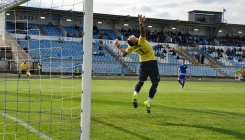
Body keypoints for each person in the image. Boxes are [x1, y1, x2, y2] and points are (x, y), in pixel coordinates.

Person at [114, 14, 160, 114]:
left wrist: (118, 46)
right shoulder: (141, 41)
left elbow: (125, 52)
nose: (131, 35)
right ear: (134, 41)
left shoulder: (132, 47)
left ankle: (135, 94)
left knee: (140, 82)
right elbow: (143, 33)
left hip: (143, 64)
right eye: (131, 37)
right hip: (152, 63)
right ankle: (149, 101)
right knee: (155, 83)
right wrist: (141, 24)